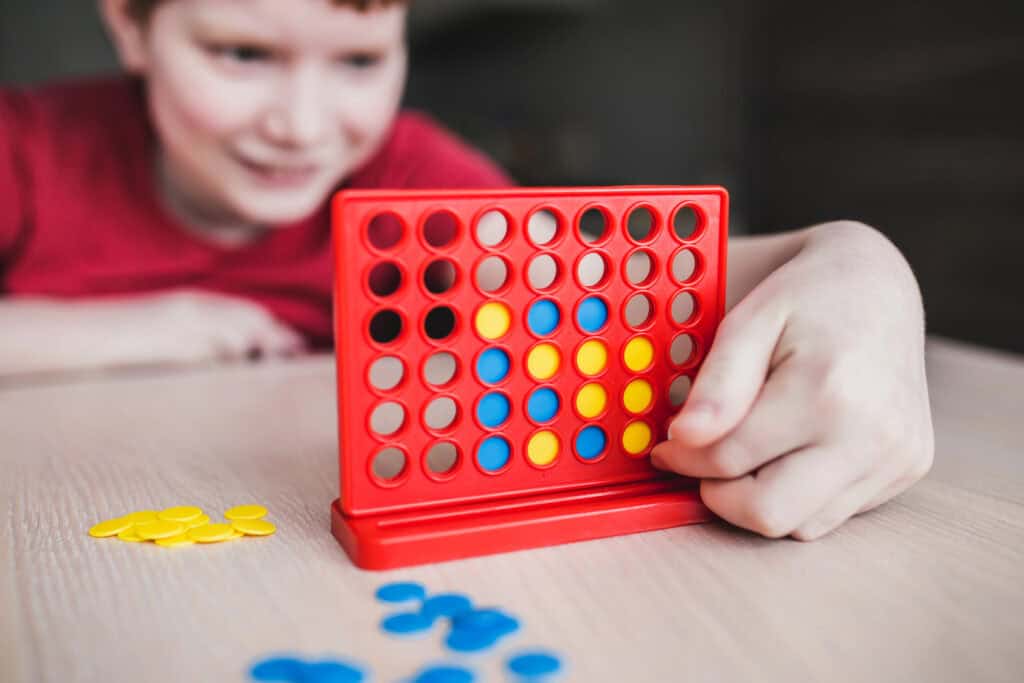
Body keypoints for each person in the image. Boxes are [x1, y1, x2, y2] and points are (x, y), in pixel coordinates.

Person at [0, 0, 934, 541]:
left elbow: (624, 276)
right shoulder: (28, 146)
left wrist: (856, 262)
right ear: (129, 24)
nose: (303, 124)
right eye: (242, 53)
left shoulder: (415, 178)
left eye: (361, 60)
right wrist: (127, 328)